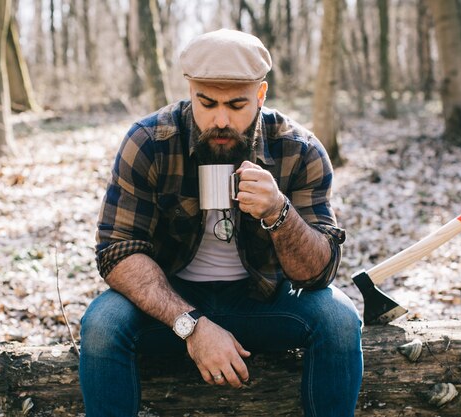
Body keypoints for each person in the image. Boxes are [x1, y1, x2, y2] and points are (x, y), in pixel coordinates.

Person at [79, 29, 363, 417]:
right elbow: (117, 251)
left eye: (237, 104)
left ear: (261, 95)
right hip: (170, 300)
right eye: (207, 103)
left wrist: (279, 213)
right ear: (189, 89)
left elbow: (317, 274)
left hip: (262, 301)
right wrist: (192, 326)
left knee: (340, 318)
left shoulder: (299, 149)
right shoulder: (150, 141)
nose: (221, 119)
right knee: (101, 324)